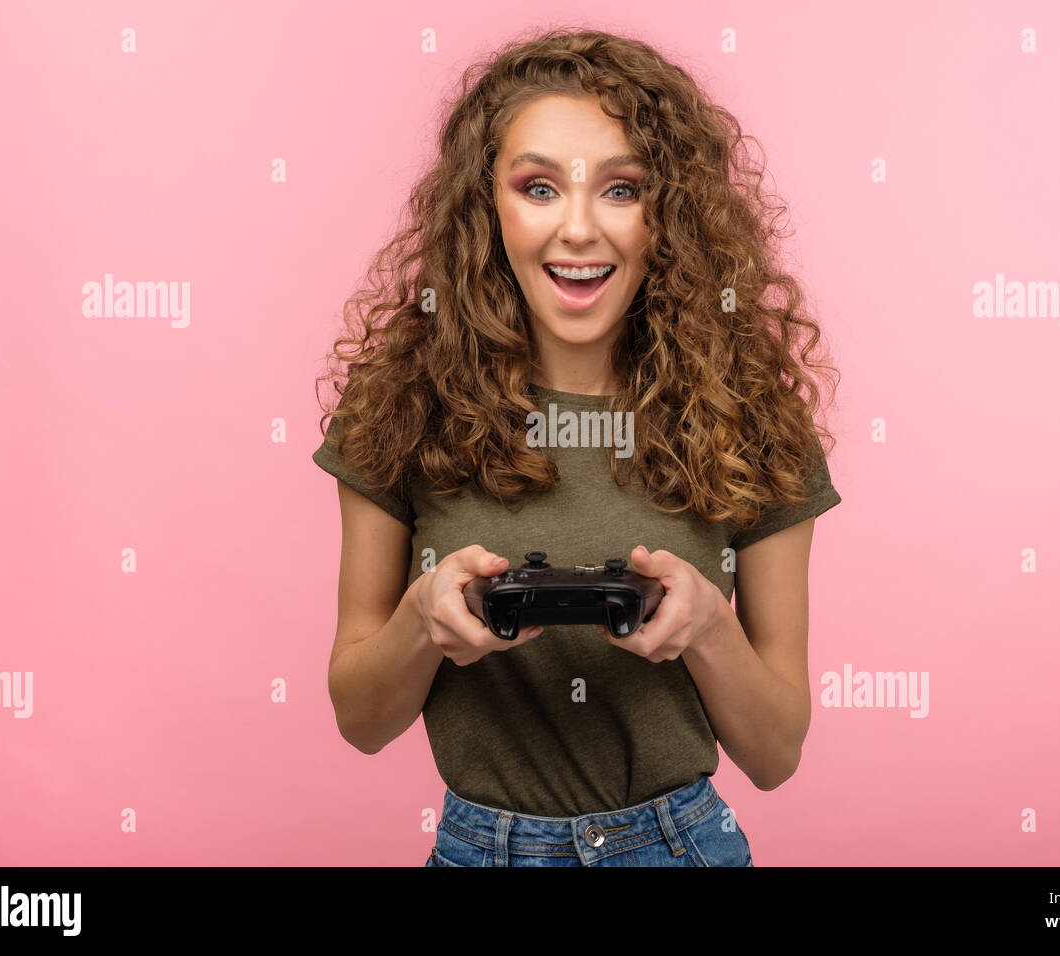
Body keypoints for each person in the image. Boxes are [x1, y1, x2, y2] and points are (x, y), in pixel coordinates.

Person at [312, 29, 843, 867]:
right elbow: (360, 721)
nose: (580, 229)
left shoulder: (752, 420)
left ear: (670, 213)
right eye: (538, 187)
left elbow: (776, 756)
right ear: (488, 207)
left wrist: (709, 628)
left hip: (683, 846)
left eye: (623, 189)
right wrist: (421, 621)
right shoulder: (399, 408)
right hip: (479, 848)